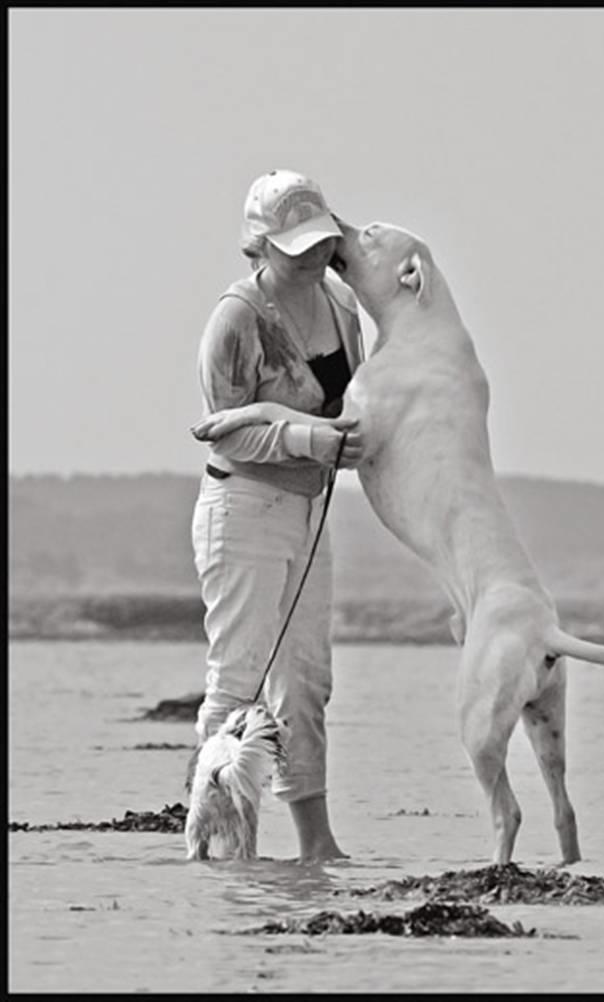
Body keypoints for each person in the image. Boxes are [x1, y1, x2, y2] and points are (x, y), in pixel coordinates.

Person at [189, 169, 365, 862]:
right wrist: (308, 438)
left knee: (308, 681)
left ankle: (318, 846)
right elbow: (222, 429)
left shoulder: (344, 306)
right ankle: (226, 846)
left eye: (321, 240)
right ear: (260, 245)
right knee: (239, 680)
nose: (313, 255)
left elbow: (356, 398)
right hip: (243, 507)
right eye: (295, 245)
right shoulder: (235, 319)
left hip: (308, 511)